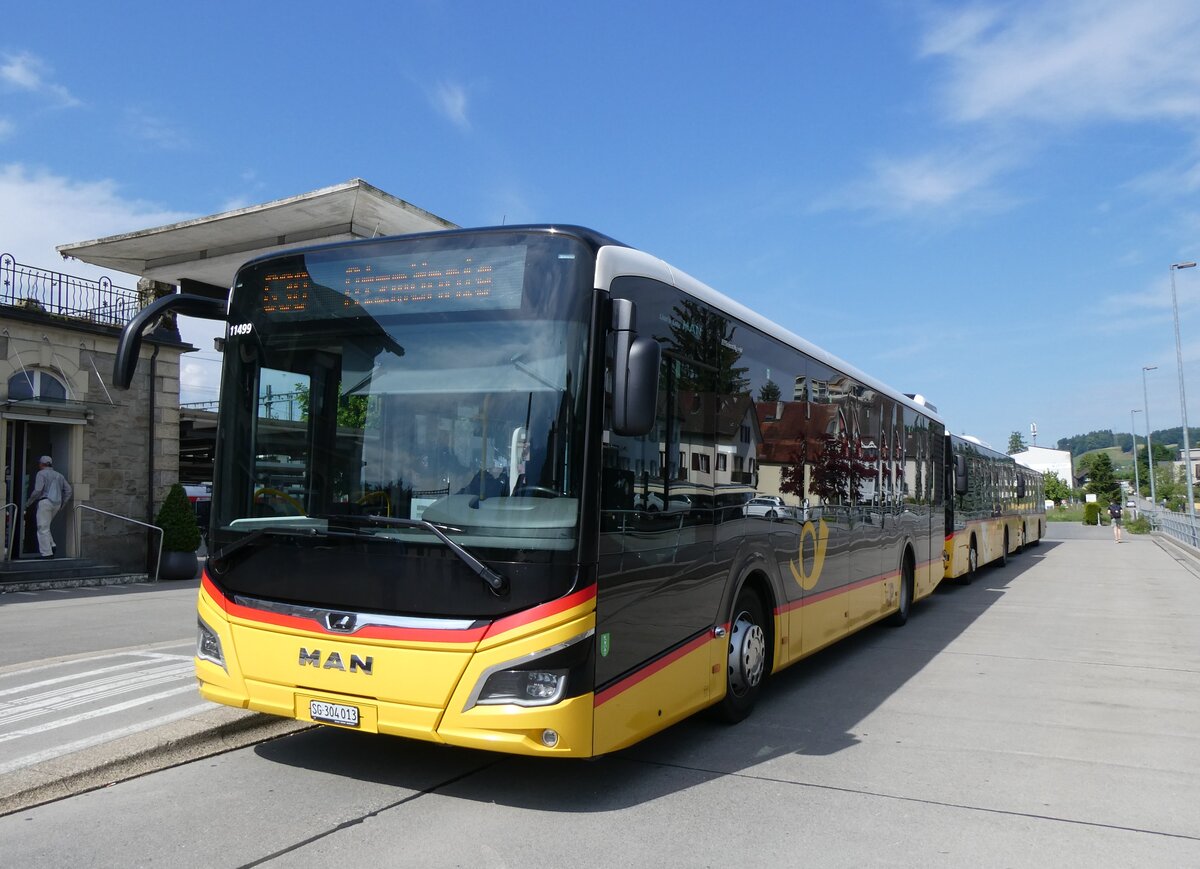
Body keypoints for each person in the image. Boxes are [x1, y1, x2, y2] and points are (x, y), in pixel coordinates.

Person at [26, 455, 72, 558]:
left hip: (45, 502)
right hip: (56, 504)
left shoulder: (41, 473)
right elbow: (68, 490)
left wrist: (29, 502)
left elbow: (38, 490)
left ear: (41, 464)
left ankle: (47, 553)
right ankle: (52, 544)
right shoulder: (59, 475)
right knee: (46, 526)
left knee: (42, 527)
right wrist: (63, 504)